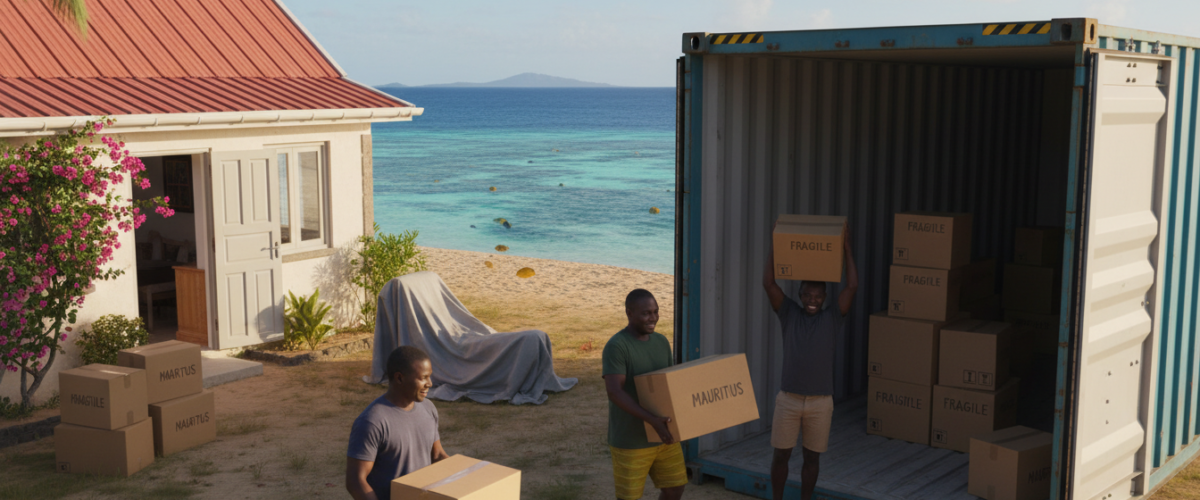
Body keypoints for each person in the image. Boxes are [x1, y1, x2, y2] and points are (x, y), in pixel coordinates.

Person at [762, 222, 858, 500]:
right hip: (788, 399)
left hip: (820, 402)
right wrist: (775, 247)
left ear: (825, 298)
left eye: (817, 296)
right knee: (781, 456)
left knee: (811, 460)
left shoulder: (832, 318)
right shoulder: (789, 313)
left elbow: (852, 285)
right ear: (800, 295)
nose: (812, 300)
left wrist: (847, 250)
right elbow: (768, 283)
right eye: (807, 295)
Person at [602, 289, 687, 500]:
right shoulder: (617, 346)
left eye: (656, 311)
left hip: (664, 436)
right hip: (631, 440)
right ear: (629, 313)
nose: (653, 318)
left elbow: (667, 384)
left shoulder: (661, 342)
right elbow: (614, 391)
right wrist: (652, 421)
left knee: (675, 488)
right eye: (646, 313)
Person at [347, 346, 449, 500]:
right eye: (423, 378)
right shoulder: (372, 422)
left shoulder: (428, 408)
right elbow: (355, 481)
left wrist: (465, 476)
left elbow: (437, 455)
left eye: (430, 377)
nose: (430, 383)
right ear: (399, 378)